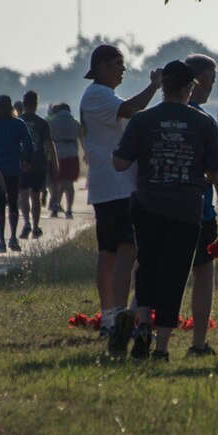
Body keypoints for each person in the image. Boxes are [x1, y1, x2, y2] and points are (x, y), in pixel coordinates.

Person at [110, 60, 218, 361]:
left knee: (148, 267)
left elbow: (120, 163)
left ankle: (142, 326)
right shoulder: (204, 123)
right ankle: (161, 347)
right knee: (175, 275)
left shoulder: (142, 121)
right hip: (186, 209)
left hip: (148, 205)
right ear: (189, 88)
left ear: (163, 87)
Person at [80, 44, 162, 345]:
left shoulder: (104, 95)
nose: (123, 69)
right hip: (114, 184)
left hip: (115, 183)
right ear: (101, 67)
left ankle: (115, 315)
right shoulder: (97, 95)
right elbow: (130, 110)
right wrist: (154, 86)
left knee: (116, 251)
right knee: (116, 251)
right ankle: (113, 315)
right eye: (117, 63)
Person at [181, 54, 218, 353]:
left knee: (157, 271)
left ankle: (139, 325)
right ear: (195, 82)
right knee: (203, 274)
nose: (211, 88)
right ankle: (198, 342)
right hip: (199, 209)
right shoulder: (203, 121)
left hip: (158, 206)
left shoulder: (159, 115)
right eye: (209, 82)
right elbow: (216, 170)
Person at [0, 94, 35, 252]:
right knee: (13, 203)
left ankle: (2, 241)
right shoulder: (18, 124)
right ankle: (13, 237)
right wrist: (26, 161)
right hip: (13, 169)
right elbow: (29, 145)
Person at [19, 91, 54, 238]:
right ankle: (35, 226)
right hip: (38, 163)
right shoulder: (42, 123)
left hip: (21, 163)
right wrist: (54, 162)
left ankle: (26, 221)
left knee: (23, 194)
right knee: (35, 196)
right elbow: (48, 144)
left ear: (23, 103)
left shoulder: (18, 121)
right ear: (36, 104)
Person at [47, 100, 81, 218]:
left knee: (55, 182)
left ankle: (55, 205)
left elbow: (47, 139)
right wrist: (86, 154)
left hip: (56, 153)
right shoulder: (75, 122)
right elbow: (82, 139)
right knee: (68, 183)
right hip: (71, 153)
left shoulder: (52, 122)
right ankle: (69, 210)